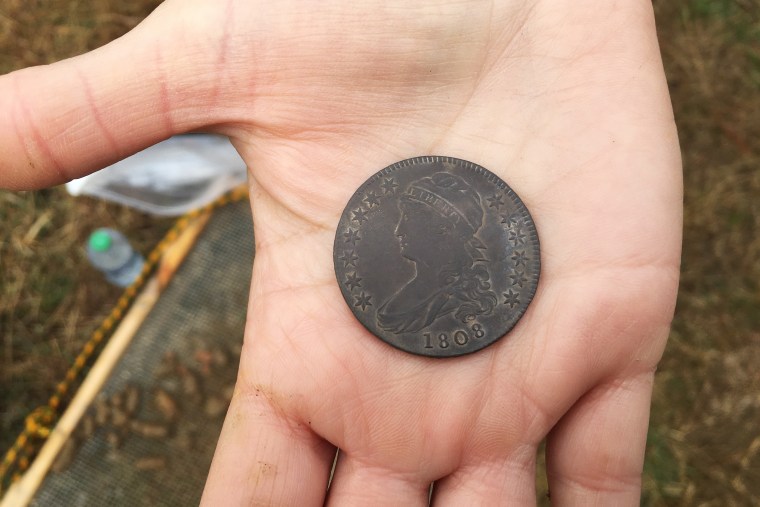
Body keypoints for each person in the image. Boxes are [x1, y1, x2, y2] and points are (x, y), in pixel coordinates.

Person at [0, 1, 682, 505]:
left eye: (412, 222)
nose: (393, 233)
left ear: (446, 237)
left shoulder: (457, 300)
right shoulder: (414, 294)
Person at [378, 172, 498, 334]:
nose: (399, 231)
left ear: (443, 229)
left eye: (408, 218)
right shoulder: (401, 300)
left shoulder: (459, 302)